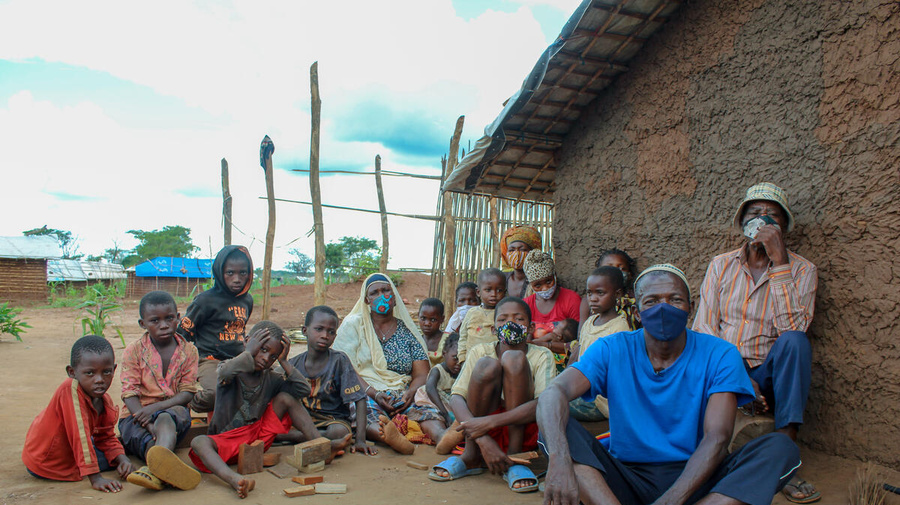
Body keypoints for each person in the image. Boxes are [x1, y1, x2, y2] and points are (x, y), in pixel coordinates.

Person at [537, 264, 801, 505]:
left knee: (780, 448)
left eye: (675, 299)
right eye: (651, 301)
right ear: (637, 313)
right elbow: (554, 393)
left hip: (697, 477)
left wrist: (670, 502)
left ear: (691, 307)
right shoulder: (612, 348)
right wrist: (560, 462)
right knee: (552, 424)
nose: (663, 308)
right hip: (626, 476)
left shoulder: (720, 353)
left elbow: (717, 438)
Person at [693, 182, 819, 503]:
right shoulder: (721, 265)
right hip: (725, 370)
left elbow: (795, 327)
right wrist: (736, 376)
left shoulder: (803, 271)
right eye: (755, 214)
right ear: (742, 223)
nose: (762, 221)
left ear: (783, 227)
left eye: (771, 216)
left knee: (794, 342)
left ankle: (785, 455)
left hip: (769, 376)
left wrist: (780, 263)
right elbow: (705, 329)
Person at [189, 321, 348, 498]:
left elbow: (303, 391)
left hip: (257, 439)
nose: (266, 359)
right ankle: (234, 479)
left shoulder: (271, 377)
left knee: (286, 398)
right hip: (226, 442)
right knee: (199, 442)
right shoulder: (229, 369)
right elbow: (224, 374)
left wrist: (284, 361)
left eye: (273, 356)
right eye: (263, 350)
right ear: (247, 342)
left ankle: (321, 448)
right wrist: (249, 352)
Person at [429, 297, 556, 494]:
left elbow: (543, 403)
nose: (510, 324)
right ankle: (472, 456)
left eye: (519, 319)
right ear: (493, 330)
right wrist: (482, 438)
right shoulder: (480, 351)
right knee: (486, 365)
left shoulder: (541, 355)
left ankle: (515, 457)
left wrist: (489, 423)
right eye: (503, 320)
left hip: (521, 429)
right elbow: (457, 397)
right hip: (479, 430)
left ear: (530, 328)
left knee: (514, 358)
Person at [332, 273, 444, 454]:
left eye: (386, 290)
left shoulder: (407, 330)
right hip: (366, 390)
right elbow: (346, 367)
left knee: (426, 407)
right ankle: (390, 436)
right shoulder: (354, 325)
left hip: (402, 393)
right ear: (367, 300)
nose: (381, 295)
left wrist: (410, 393)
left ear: (394, 298)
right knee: (363, 408)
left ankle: (442, 436)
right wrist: (374, 393)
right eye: (374, 293)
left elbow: (422, 373)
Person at [22, 335, 135, 492]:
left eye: (106, 372)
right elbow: (80, 436)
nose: (99, 380)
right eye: (90, 373)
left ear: (114, 370)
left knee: (120, 451)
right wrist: (96, 478)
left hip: (70, 450)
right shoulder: (70, 389)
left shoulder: (104, 400)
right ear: (72, 372)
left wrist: (122, 459)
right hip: (47, 461)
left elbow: (105, 436)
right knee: (113, 452)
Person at [119, 291, 201, 491]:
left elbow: (187, 393)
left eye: (169, 318)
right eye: (155, 320)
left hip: (173, 411)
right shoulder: (134, 350)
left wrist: (155, 409)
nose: (163, 325)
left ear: (178, 318)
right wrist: (147, 423)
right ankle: (162, 467)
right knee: (147, 440)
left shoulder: (189, 351)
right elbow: (129, 393)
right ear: (143, 324)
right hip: (135, 414)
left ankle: (152, 469)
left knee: (165, 418)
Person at [288, 305, 377, 456]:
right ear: (305, 331)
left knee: (339, 433)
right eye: (319, 329)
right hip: (303, 420)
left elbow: (360, 399)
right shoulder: (293, 364)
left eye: (331, 332)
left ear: (335, 336)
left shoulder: (339, 361)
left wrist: (360, 440)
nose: (325, 335)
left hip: (332, 420)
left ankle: (292, 438)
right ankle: (314, 438)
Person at [176, 245, 254, 413]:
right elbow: (182, 333)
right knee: (217, 394)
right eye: (230, 273)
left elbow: (241, 330)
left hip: (238, 358)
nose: (237, 279)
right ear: (220, 272)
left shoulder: (247, 300)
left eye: (243, 273)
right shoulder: (205, 301)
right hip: (209, 360)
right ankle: (190, 401)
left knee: (270, 381)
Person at [567, 266, 630, 421]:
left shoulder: (619, 328)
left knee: (555, 405)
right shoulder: (589, 322)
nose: (593, 298)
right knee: (551, 394)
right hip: (581, 387)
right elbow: (577, 355)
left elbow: (617, 373)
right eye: (590, 293)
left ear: (618, 294)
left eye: (600, 293)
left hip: (599, 399)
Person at [523, 251, 582, 370]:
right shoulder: (526, 305)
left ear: (555, 275)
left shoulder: (571, 300)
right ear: (530, 285)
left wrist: (544, 345)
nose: (545, 288)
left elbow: (579, 343)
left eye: (549, 281)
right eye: (537, 285)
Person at [414, 333, 463, 452]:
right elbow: (430, 389)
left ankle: (450, 436)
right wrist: (445, 413)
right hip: (431, 402)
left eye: (462, 359)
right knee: (432, 416)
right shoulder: (438, 370)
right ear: (444, 354)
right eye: (455, 358)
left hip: (448, 407)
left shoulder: (462, 372)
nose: (458, 363)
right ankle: (442, 437)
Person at [579, 248, 640, 329]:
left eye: (621, 269)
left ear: (630, 274)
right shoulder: (587, 302)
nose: (615, 273)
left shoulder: (636, 301)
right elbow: (581, 333)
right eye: (608, 268)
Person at [458, 268, 507, 363]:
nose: (494, 294)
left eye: (499, 290)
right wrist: (462, 359)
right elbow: (463, 337)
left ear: (505, 292)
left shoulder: (504, 314)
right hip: (471, 362)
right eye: (488, 290)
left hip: (496, 363)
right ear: (478, 292)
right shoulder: (472, 313)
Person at [500, 225, 543, 298]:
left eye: (522, 250)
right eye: (511, 250)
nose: (516, 254)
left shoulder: (541, 280)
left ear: (532, 253)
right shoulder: (501, 279)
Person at [417, 297, 447, 367]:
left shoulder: (448, 341)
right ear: (418, 316)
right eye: (423, 318)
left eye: (433, 320)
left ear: (442, 319)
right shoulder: (416, 340)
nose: (427, 323)